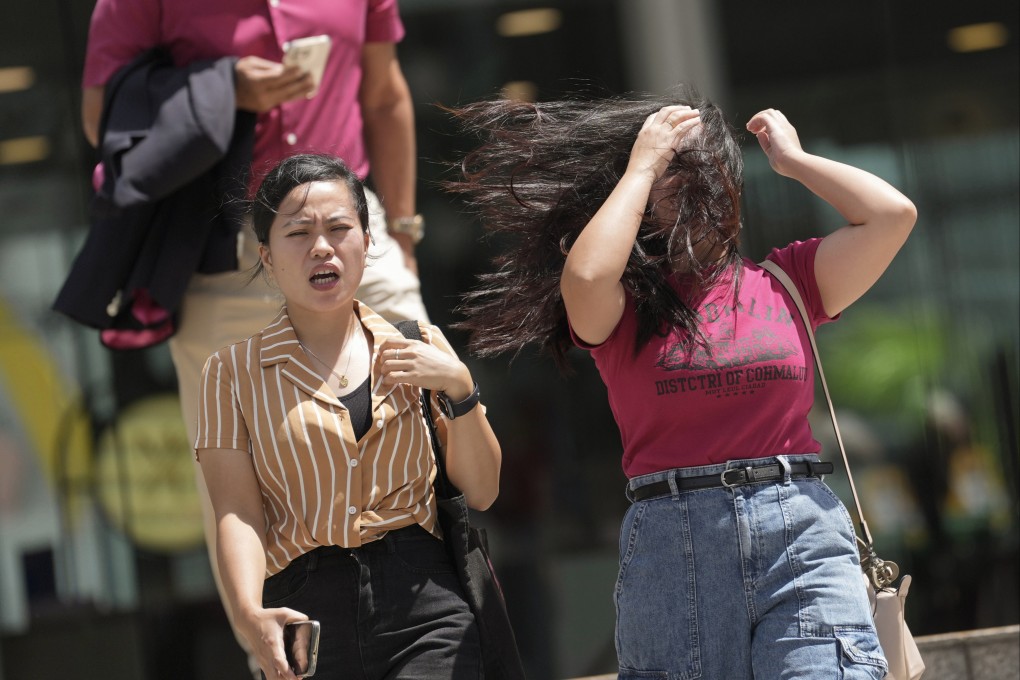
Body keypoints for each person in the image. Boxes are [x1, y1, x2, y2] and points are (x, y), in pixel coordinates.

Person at [446, 84, 917, 678]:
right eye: (676, 177)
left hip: (802, 528)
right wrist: (643, 163)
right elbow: (586, 274)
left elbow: (892, 215)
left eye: (709, 174)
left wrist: (793, 163)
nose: (692, 191)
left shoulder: (790, 280)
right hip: (677, 540)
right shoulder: (625, 307)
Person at [78, 0, 430, 660]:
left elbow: (384, 96)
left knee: (429, 414)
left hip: (355, 235)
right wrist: (222, 91)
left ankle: (442, 635)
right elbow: (102, 117)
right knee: (238, 482)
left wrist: (404, 231)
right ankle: (283, 663)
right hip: (224, 254)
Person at [196, 153, 501, 679]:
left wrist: (460, 386)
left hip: (426, 600)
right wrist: (249, 614)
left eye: (340, 228)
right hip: (306, 610)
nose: (322, 246)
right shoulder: (230, 374)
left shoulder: (420, 345)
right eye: (298, 233)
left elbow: (483, 490)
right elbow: (238, 513)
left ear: (366, 241)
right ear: (266, 257)